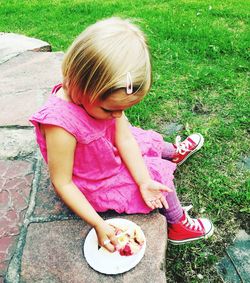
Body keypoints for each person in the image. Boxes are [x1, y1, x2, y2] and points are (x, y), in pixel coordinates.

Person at [30, 17, 214, 252]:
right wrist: (97, 223)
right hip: (96, 177)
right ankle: (178, 225)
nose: (118, 116)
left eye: (124, 109)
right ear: (80, 86)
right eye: (111, 109)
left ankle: (173, 154)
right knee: (158, 175)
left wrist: (144, 181)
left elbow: (124, 138)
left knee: (144, 141)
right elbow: (62, 183)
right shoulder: (60, 127)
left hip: (105, 149)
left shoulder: (98, 103)